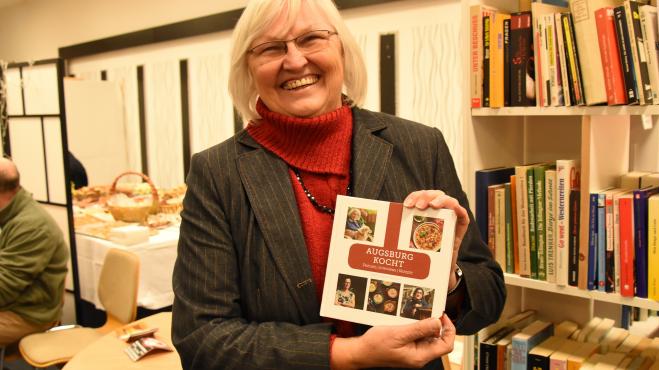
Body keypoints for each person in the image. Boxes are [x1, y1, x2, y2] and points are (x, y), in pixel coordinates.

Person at [171, 0, 506, 369]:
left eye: (312, 39)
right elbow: (201, 340)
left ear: (343, 50)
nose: (295, 61)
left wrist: (447, 277)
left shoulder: (419, 145)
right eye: (271, 48)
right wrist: (348, 355)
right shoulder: (217, 174)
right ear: (248, 70)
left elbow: (487, 300)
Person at [0, 158, 68, 347]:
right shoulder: (9, 213)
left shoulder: (31, 226)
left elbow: (4, 289)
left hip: (28, 314)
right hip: (14, 302)